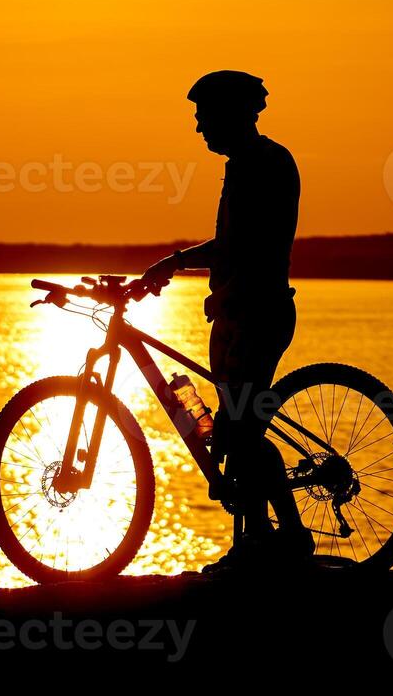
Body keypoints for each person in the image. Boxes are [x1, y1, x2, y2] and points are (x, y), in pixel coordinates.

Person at [143, 70, 314, 570]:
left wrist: (185, 266)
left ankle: (284, 538)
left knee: (241, 433)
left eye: (203, 117)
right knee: (240, 431)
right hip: (240, 314)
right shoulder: (245, 164)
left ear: (230, 114)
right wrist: (176, 264)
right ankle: (260, 540)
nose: (199, 128)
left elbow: (254, 246)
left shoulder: (265, 163)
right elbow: (234, 246)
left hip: (258, 313)